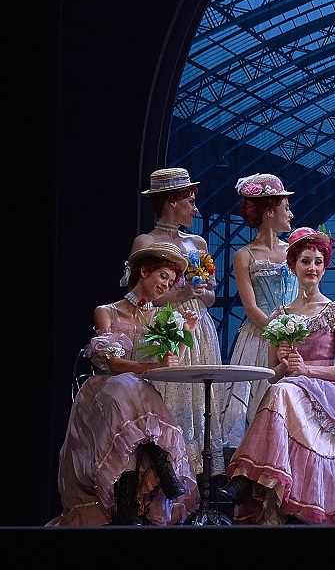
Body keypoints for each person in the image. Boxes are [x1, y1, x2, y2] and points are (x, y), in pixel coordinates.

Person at [226, 227, 335, 524]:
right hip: (290, 392)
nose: (312, 267)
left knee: (282, 392)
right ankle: (263, 484)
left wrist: (306, 369)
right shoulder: (280, 316)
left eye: (318, 262)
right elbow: (273, 376)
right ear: (293, 266)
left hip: (327, 392)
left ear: (324, 268)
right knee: (281, 389)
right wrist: (285, 364)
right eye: (305, 261)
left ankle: (245, 478)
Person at [50, 241, 199, 525]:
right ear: (144, 271)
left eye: (170, 282)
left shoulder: (163, 317)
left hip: (137, 399)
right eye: (162, 277)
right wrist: (152, 366)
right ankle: (158, 461)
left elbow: (171, 363)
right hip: (103, 395)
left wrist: (186, 333)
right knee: (126, 385)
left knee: (133, 390)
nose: (166, 286)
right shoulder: (107, 311)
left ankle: (128, 502)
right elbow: (113, 364)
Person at [128, 167, 225, 467]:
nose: (195, 209)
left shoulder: (198, 244)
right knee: (165, 395)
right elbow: (139, 296)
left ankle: (195, 473)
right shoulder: (145, 242)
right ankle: (160, 468)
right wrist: (182, 295)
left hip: (198, 328)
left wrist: (200, 292)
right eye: (190, 202)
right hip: (163, 326)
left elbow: (211, 297)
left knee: (198, 400)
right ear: (172, 201)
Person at [217, 172, 298, 446]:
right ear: (269, 210)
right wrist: (278, 333)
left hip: (296, 335)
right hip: (260, 336)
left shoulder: (295, 250)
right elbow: (250, 306)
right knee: (258, 405)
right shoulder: (244, 255)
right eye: (286, 207)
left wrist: (295, 332)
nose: (291, 214)